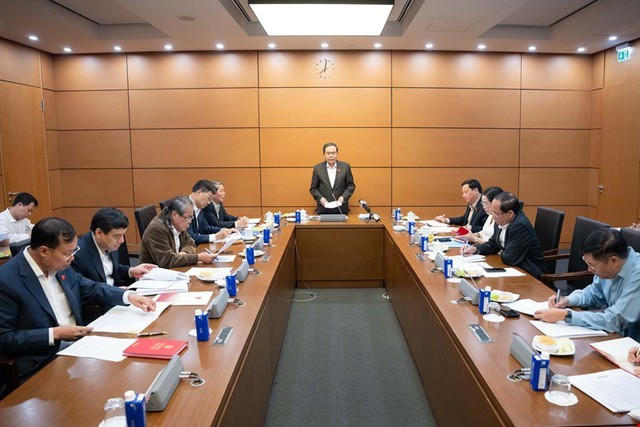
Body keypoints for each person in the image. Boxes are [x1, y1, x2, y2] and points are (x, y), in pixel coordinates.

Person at [0, 217, 156, 388]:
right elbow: (4, 338)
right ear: (44, 251)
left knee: (133, 372)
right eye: (67, 253)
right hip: (42, 362)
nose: (72, 258)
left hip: (79, 347)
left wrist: (127, 296)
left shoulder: (59, 265)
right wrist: (55, 334)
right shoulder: (6, 280)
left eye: (74, 251)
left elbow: (87, 286)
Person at [534, 229, 640, 340]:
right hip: (616, 336)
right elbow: (593, 293)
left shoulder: (637, 274)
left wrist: (566, 315)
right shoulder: (611, 267)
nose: (589, 270)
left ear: (613, 261)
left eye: (592, 265)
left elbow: (615, 320)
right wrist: (567, 300)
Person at [461, 192, 547, 279]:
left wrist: (500, 251)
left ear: (510, 213)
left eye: (496, 213)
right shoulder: (501, 219)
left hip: (530, 273)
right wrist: (475, 249)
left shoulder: (520, 226)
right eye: (492, 211)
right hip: (513, 268)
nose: (493, 216)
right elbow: (493, 244)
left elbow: (509, 258)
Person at [72, 207, 156, 287]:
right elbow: (84, 289)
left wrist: (131, 271)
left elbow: (111, 268)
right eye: (117, 236)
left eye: (123, 235)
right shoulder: (77, 255)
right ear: (99, 233)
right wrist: (116, 292)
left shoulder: (110, 243)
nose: (122, 240)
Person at [140, 196, 216, 268]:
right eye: (189, 217)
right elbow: (167, 261)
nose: (190, 221)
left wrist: (185, 253)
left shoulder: (178, 223)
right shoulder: (157, 229)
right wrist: (198, 257)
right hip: (155, 273)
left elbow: (191, 242)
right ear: (174, 215)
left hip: (175, 269)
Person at [309, 142, 356, 214]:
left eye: (333, 153)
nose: (331, 155)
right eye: (328, 153)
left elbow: (351, 186)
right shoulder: (317, 168)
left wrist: (344, 197)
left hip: (341, 209)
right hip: (323, 209)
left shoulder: (345, 167)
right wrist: (320, 198)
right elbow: (313, 189)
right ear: (324, 154)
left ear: (337, 153)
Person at [188, 180, 233, 244]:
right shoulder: (184, 207)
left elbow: (205, 227)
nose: (209, 203)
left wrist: (223, 230)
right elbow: (190, 237)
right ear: (199, 192)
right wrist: (215, 237)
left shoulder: (199, 207)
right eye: (209, 198)